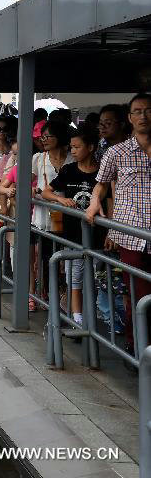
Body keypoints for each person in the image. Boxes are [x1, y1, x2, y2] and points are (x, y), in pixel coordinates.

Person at [86, 93, 151, 353]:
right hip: (132, 235)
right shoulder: (117, 152)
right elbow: (101, 184)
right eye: (137, 111)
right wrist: (93, 204)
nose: (143, 116)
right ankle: (138, 347)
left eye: (148, 110)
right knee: (138, 294)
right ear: (130, 118)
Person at [42, 126, 101, 326]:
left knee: (94, 278)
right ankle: (78, 320)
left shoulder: (102, 172)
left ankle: (91, 317)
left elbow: (109, 202)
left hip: (97, 235)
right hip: (73, 234)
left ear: (91, 147)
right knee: (74, 278)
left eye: (77, 147)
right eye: (72, 147)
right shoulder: (69, 170)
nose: (73, 151)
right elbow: (46, 192)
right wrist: (63, 200)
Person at [30, 120, 74, 311]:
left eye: (48, 136)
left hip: (70, 216)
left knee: (68, 261)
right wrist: (33, 190)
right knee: (48, 258)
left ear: (60, 137)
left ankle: (67, 300)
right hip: (44, 216)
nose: (44, 140)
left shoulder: (73, 158)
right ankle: (51, 297)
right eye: (42, 137)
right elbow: (29, 181)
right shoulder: (38, 158)